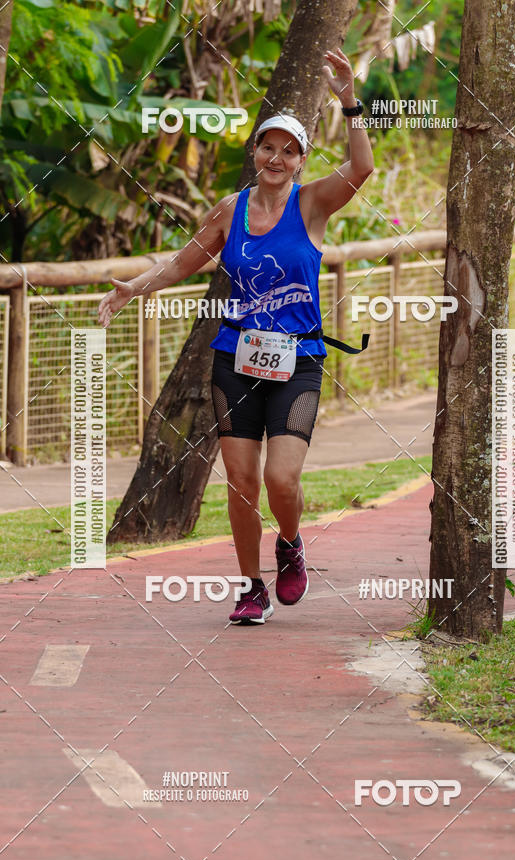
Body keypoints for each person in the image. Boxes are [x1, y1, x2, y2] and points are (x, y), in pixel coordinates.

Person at [99, 47, 374, 625]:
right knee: (243, 481)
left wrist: (349, 98)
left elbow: (360, 170)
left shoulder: (313, 204)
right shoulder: (232, 210)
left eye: (289, 150)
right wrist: (134, 289)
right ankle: (252, 586)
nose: (276, 157)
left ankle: (291, 543)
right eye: (267, 147)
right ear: (255, 153)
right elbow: (181, 264)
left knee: (281, 477)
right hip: (236, 358)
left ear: (301, 160)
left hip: (298, 361)